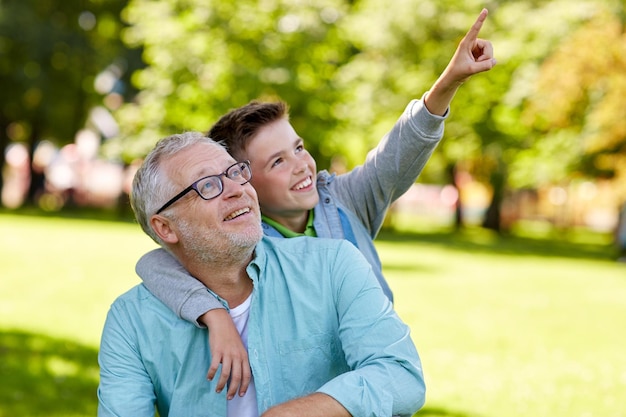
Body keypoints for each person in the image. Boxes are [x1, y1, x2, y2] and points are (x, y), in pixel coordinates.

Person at [136, 7, 496, 399]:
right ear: (241, 177)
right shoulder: (239, 240)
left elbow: (397, 154)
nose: (301, 165)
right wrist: (215, 314)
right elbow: (158, 263)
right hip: (294, 393)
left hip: (367, 387)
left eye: (299, 147)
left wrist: (448, 83)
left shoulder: (344, 202)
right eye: (277, 162)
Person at [97, 132, 425, 417]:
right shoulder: (132, 321)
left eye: (236, 173)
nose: (237, 189)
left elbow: (401, 375)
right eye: (208, 185)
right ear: (165, 227)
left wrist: (303, 411)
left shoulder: (334, 266)